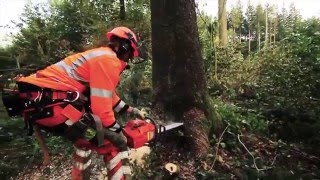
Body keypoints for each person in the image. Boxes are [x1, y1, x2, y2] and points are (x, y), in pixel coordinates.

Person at [16, 26, 146, 180]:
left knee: (85, 140)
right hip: (53, 107)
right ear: (125, 47)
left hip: (42, 105)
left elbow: (107, 95)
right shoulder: (108, 61)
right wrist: (119, 132)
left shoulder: (100, 55)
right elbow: (102, 110)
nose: (128, 59)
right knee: (113, 143)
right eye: (130, 55)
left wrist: (131, 111)